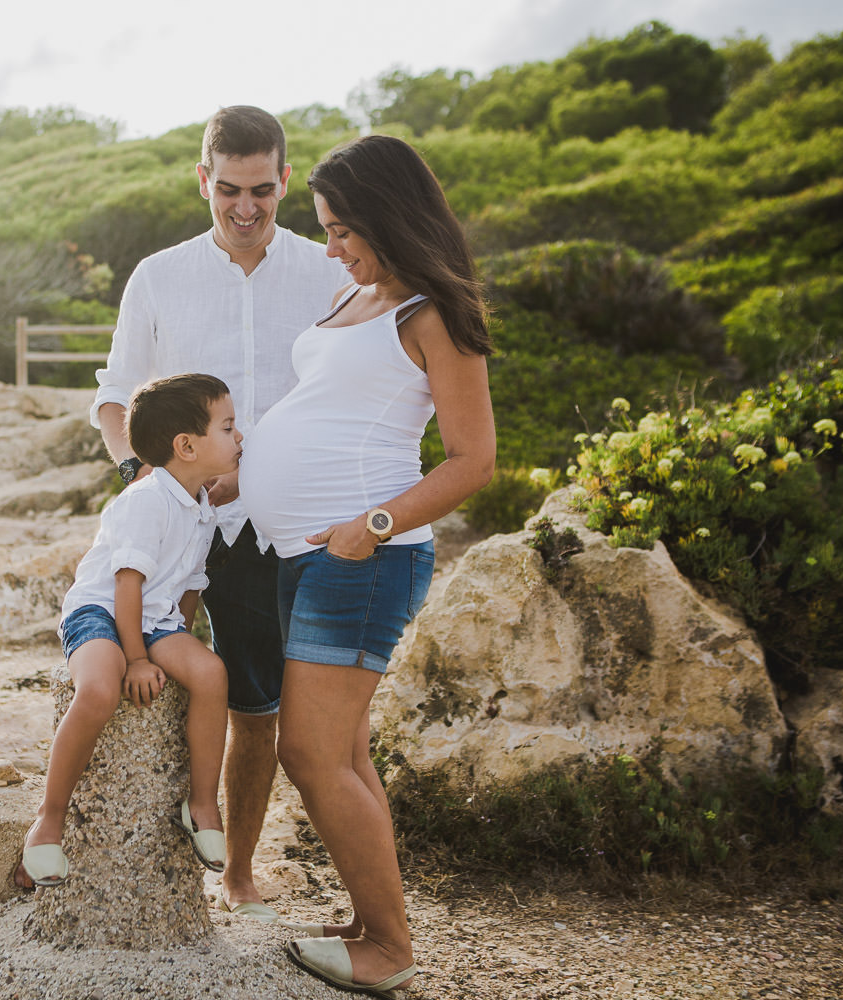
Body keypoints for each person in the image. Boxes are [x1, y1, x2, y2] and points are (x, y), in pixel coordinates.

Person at [240, 134, 495, 997]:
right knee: (344, 751)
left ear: (390, 217)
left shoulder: (430, 312)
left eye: (345, 229)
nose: (333, 247)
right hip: (301, 556)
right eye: (326, 229)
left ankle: (388, 948)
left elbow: (473, 460)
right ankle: (367, 919)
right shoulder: (360, 298)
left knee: (309, 754)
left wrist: (371, 526)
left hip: (363, 559)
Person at [91, 105, 347, 918]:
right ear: (204, 179)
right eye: (228, 189)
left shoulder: (328, 272)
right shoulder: (158, 276)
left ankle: (236, 872)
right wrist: (148, 477)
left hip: (287, 528)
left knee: (259, 706)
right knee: (135, 677)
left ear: (283, 180)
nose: (245, 208)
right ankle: (124, 869)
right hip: (176, 530)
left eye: (263, 191)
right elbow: (113, 400)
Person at [17, 373, 241, 888]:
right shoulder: (147, 499)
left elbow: (188, 589)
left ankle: (202, 804)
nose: (240, 437)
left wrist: (176, 648)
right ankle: (49, 820)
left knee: (210, 674)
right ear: (186, 446)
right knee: (100, 685)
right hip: (101, 610)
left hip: (156, 618)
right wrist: (138, 659)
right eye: (227, 427)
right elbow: (126, 587)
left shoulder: (203, 509)